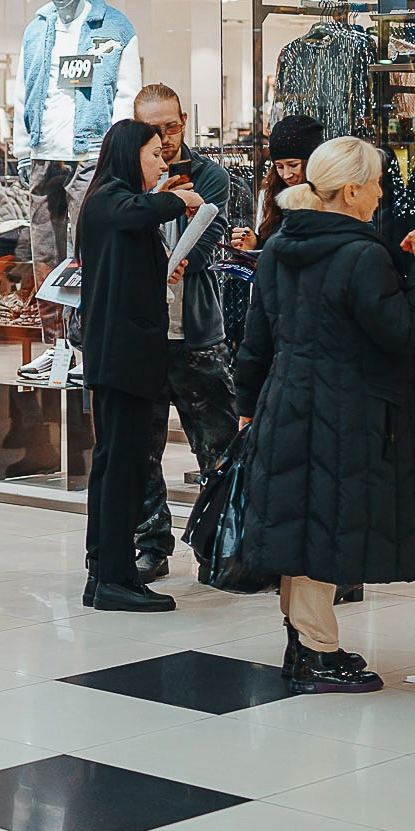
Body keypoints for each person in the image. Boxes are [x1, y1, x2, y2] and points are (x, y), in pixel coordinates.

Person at [234, 136, 415, 688]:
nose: (381, 193)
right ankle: (316, 653)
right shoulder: (362, 254)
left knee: (299, 522)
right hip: (346, 407)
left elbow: (256, 336)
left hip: (288, 397)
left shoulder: (282, 244)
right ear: (352, 190)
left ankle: (306, 644)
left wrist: (247, 405)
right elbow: (404, 331)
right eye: (376, 182)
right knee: (324, 526)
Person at [77, 115, 206, 611]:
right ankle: (112, 577)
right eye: (154, 154)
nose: (160, 162)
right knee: (122, 463)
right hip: (121, 355)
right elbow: (134, 213)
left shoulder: (114, 201)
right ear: (131, 153)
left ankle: (107, 570)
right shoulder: (110, 198)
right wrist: (181, 199)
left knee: (120, 462)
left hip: (125, 353)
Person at [127, 84, 242, 585]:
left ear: (184, 122)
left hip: (196, 334)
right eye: (152, 129)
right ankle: (150, 544)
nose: (164, 138)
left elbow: (209, 241)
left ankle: (218, 543)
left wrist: (178, 259)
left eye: (171, 126)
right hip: (146, 336)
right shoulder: (127, 179)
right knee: (143, 451)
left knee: (217, 450)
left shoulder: (211, 177)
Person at [238, 113, 323, 250]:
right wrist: (255, 244)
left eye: (293, 165)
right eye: (279, 167)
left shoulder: (332, 199)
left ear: (313, 163)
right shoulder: (271, 194)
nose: (286, 174)